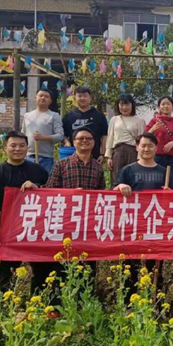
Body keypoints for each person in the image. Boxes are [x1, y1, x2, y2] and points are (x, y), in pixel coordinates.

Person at [21, 127, 106, 309]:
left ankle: (84, 307)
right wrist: (36, 187)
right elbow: (50, 190)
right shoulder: (62, 164)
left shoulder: (98, 167)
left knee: (87, 266)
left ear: (94, 143)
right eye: (80, 138)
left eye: (88, 138)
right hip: (65, 223)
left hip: (87, 226)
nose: (84, 141)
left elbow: (101, 195)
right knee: (61, 266)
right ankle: (58, 307)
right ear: (73, 142)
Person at [0, 131, 49, 293]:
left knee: (42, 270)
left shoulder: (38, 170)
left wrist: (37, 187)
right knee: (8, 270)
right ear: (5, 148)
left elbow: (51, 194)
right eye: (13, 145)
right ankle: (7, 302)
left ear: (27, 148)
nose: (17, 149)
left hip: (36, 229)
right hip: (11, 230)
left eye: (21, 145)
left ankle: (38, 302)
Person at [114, 133, 167, 302]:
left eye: (150, 146)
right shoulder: (128, 170)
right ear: (137, 147)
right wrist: (120, 185)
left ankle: (155, 303)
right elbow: (114, 191)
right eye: (143, 145)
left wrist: (169, 193)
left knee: (155, 266)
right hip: (132, 224)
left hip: (155, 225)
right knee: (130, 266)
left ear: (156, 148)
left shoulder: (164, 171)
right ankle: (129, 303)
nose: (146, 149)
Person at [146, 96, 173, 190]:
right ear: (159, 107)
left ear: (172, 107)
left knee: (172, 183)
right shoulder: (154, 121)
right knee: (156, 183)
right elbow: (145, 137)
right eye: (163, 104)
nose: (166, 106)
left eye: (168, 104)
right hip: (157, 157)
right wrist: (152, 130)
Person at [105, 94, 145, 185]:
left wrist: (140, 158)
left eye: (127, 104)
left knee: (132, 177)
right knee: (116, 178)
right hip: (117, 152)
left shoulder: (140, 121)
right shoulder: (114, 119)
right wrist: (109, 157)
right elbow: (110, 137)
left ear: (132, 105)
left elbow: (141, 141)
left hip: (133, 152)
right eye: (121, 104)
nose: (124, 107)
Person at [21, 89, 63, 174]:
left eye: (46, 96)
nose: (43, 98)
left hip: (46, 158)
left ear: (50, 101)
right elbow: (23, 136)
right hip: (28, 157)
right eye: (40, 95)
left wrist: (42, 137)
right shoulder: (27, 116)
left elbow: (60, 136)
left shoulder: (54, 116)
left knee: (45, 181)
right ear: (35, 98)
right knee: (28, 181)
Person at [63, 86, 108, 162]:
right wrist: (66, 142)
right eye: (79, 96)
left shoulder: (99, 116)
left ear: (90, 98)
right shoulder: (69, 116)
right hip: (73, 156)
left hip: (95, 157)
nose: (82, 98)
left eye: (85, 96)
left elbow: (104, 136)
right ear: (74, 98)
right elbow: (63, 134)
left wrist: (102, 154)